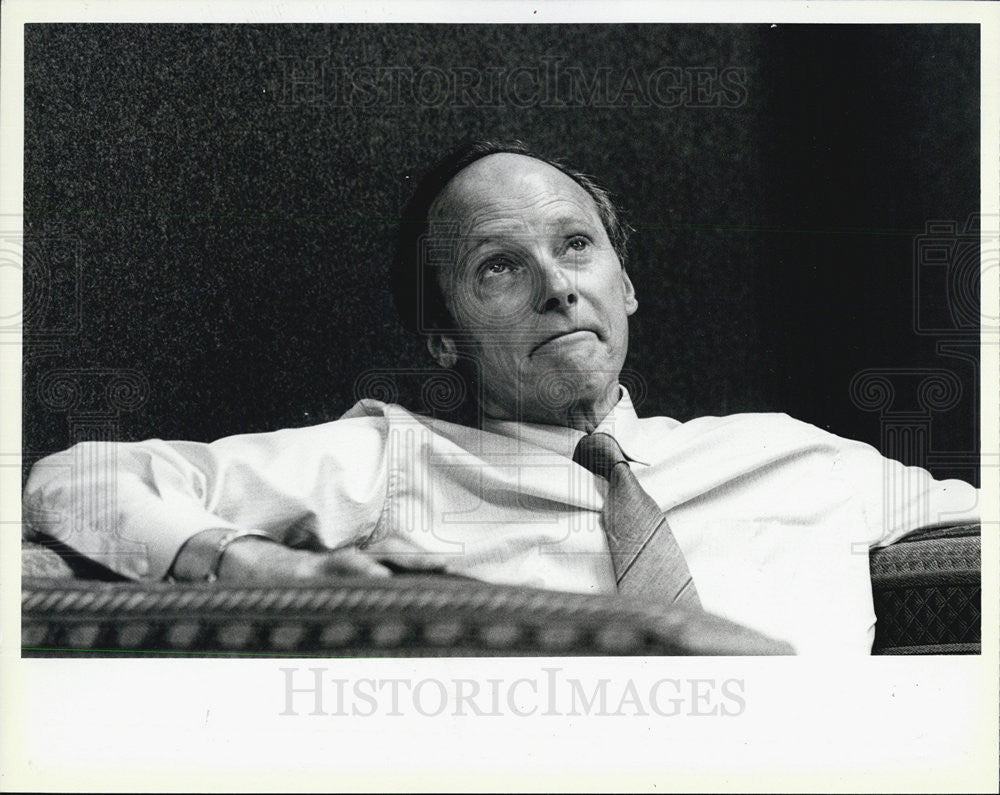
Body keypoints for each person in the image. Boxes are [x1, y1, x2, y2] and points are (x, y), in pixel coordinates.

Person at [22, 140, 980, 654]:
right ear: (444, 338)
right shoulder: (391, 459)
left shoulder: (797, 457)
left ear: (626, 283)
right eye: (498, 267)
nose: (556, 285)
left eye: (575, 246)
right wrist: (244, 562)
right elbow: (76, 480)